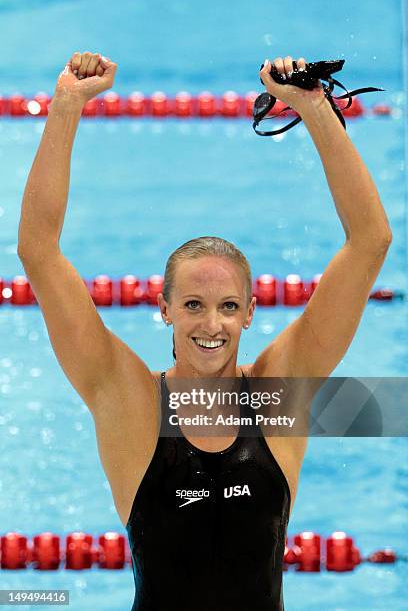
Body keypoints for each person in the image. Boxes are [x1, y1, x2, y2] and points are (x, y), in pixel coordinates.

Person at [17, 52, 392, 610]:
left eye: (227, 306)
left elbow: (370, 241)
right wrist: (68, 105)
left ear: (249, 312)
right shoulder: (131, 404)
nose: (211, 325)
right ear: (164, 308)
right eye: (193, 304)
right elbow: (38, 252)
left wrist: (313, 108)